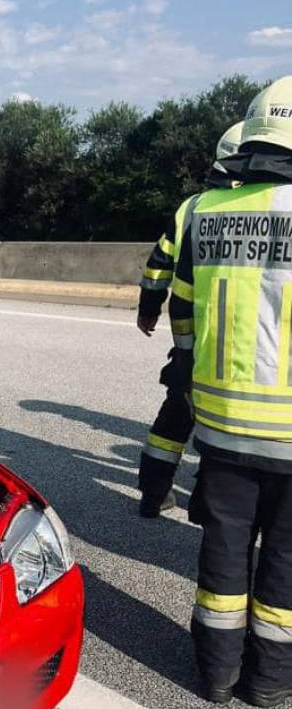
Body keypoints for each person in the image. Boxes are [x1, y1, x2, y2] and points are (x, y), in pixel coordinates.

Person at [165, 76, 292, 707]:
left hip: (219, 425)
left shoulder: (204, 211)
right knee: (286, 564)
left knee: (223, 552)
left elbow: (181, 312)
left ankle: (215, 674)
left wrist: (185, 379)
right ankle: (268, 681)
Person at [136, 121, 244, 517]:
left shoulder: (193, 207)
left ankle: (153, 493)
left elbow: (158, 265)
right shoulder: (261, 204)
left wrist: (148, 309)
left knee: (175, 416)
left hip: (190, 338)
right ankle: (206, 503)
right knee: (226, 426)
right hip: (240, 341)